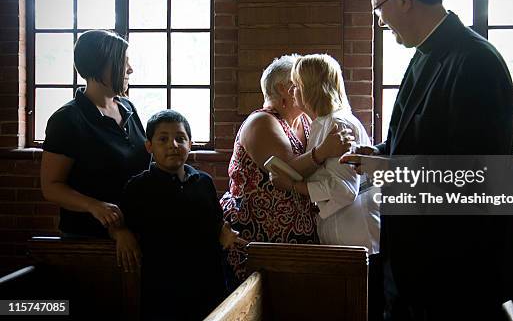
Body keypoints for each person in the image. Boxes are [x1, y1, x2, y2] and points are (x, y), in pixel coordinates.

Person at [340, 0, 513, 320]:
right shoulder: (424, 54)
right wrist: (378, 152)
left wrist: (390, 169)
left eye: (379, 7)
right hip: (416, 265)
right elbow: (418, 138)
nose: (379, 21)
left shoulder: (476, 63)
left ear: (404, 0)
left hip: (456, 272)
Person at [220, 54, 353, 285]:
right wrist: (322, 152)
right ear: (284, 89)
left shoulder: (306, 122)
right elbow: (286, 171)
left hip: (298, 235)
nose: (306, 89)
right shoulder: (261, 122)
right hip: (259, 233)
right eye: (299, 83)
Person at [269, 53, 382, 321]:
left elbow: (344, 189)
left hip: (358, 241)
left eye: (297, 84)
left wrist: (294, 186)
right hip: (342, 239)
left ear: (312, 87)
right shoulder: (322, 123)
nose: (293, 91)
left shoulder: (338, 124)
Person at [111, 110, 242, 320]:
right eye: (163, 139)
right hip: (164, 290)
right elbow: (118, 223)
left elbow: (216, 223)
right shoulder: (138, 187)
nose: (173, 145)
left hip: (209, 282)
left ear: (190, 144)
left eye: (180, 139)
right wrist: (120, 232)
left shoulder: (203, 182)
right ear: (149, 146)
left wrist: (225, 233)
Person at [41, 30, 150, 237]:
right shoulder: (66, 119)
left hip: (133, 231)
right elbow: (51, 187)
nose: (130, 69)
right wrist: (95, 206)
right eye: (123, 62)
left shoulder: (128, 107)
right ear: (100, 66)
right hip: (89, 236)